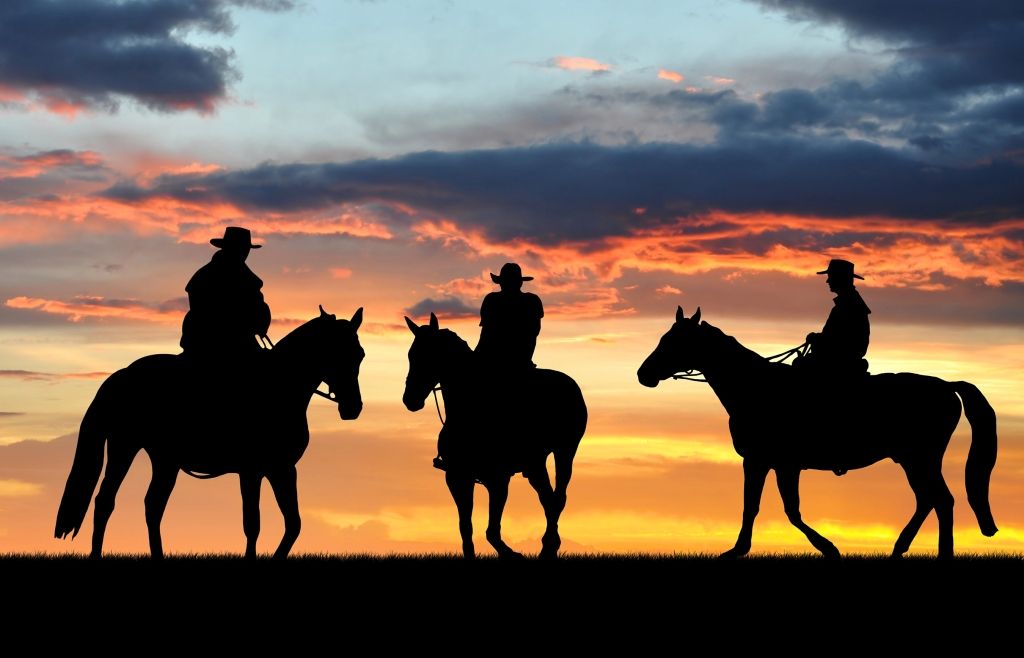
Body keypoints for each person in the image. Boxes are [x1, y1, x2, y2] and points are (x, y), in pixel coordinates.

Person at [179, 226, 271, 362]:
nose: (245, 253)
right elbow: (200, 308)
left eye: (246, 249)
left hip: (241, 337)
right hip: (211, 339)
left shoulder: (248, 280)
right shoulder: (207, 275)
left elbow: (257, 305)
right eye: (242, 248)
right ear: (230, 248)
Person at [799, 259, 871, 378]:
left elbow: (839, 341)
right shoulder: (851, 304)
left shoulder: (848, 306)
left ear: (840, 279)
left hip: (839, 364)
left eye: (831, 277)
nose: (827, 281)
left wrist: (815, 339)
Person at [474, 263, 544, 371]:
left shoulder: (492, 300)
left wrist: (476, 357)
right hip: (521, 358)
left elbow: (486, 334)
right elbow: (534, 331)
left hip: (504, 358)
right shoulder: (532, 301)